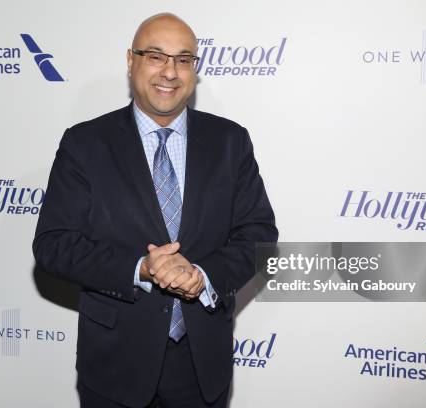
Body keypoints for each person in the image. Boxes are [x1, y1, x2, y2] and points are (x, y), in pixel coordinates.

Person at [33, 12, 278, 408]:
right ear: (131, 61)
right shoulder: (85, 144)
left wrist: (203, 275)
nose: (170, 72)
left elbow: (259, 235)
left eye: (184, 59)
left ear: (195, 70)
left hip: (202, 366)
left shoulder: (231, 141)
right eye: (155, 56)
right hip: (115, 364)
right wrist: (140, 268)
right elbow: (54, 245)